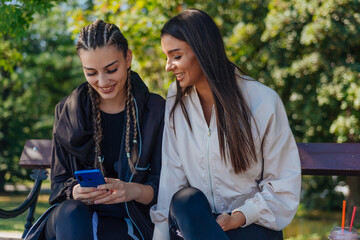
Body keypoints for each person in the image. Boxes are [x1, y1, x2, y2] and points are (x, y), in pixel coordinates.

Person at [150, 9, 301, 240]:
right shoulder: (176, 100)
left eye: (176, 56)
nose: (168, 66)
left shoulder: (262, 101)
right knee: (184, 199)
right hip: (196, 226)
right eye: (166, 57)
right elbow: (173, 176)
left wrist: (238, 216)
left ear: (202, 50)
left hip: (251, 225)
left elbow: (282, 186)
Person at [24, 19, 165, 240]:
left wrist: (132, 190)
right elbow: (58, 186)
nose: (102, 81)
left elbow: (162, 187)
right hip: (73, 218)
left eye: (111, 69)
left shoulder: (155, 111)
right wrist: (75, 192)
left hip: (129, 217)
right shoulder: (67, 111)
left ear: (128, 58)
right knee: (72, 211)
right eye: (91, 72)